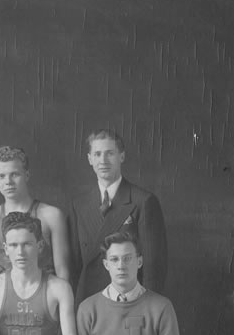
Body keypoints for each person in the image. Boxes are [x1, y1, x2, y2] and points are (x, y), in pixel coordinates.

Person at [69, 129, 168, 303]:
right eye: (97, 154)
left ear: (121, 156)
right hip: (89, 302)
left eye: (110, 153)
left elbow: (153, 267)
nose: (103, 161)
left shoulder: (143, 201)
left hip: (129, 302)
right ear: (89, 159)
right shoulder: (79, 205)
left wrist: (147, 309)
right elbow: (73, 265)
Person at [0, 145, 70, 280]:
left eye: (14, 174)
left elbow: (63, 271)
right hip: (4, 297)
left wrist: (62, 300)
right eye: (1, 176)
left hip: (45, 296)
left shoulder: (51, 215)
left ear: (26, 175)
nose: (8, 182)